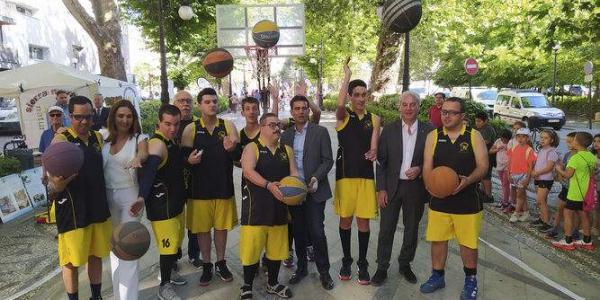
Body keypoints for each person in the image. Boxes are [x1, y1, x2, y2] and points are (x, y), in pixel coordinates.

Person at [420, 97, 488, 300]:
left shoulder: (474, 136)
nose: (446, 115)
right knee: (438, 240)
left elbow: (483, 166)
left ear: (463, 116)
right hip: (440, 199)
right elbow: (426, 165)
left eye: (452, 112)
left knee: (467, 243)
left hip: (467, 200)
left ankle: (471, 281)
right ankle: (437, 276)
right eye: (444, 112)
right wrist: (429, 185)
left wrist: (468, 181)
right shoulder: (434, 135)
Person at [48, 96, 112, 300]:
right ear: (69, 116)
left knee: (96, 255)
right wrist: (56, 185)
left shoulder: (97, 138)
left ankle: (96, 296)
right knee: (71, 261)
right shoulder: (62, 139)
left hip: (97, 205)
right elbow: (51, 178)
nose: (84, 121)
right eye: (78, 117)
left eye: (87, 117)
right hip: (72, 208)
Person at [372, 91, 432, 286]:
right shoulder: (388, 130)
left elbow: (435, 161)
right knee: (386, 229)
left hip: (415, 188)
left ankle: (405, 263)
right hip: (391, 188)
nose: (408, 108)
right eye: (404, 104)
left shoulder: (429, 131)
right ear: (399, 107)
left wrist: (421, 168)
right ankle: (382, 267)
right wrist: (381, 189)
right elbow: (381, 162)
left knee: (412, 229)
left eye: (412, 104)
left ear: (418, 107)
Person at [181, 88, 238, 286]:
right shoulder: (191, 129)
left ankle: (221, 262)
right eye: (207, 101)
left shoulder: (228, 126)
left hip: (223, 187)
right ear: (199, 105)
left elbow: (238, 158)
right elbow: (183, 160)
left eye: (214, 101)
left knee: (221, 228)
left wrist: (232, 150)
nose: (212, 104)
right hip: (199, 190)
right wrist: (188, 160)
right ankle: (207, 264)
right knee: (203, 230)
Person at [239, 113, 298, 299]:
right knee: (251, 251)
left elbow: (294, 174)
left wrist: (300, 188)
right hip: (256, 210)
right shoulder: (252, 147)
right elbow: (248, 171)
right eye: (272, 125)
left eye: (278, 125)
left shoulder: (286, 150)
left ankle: (273, 284)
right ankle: (246, 286)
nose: (276, 128)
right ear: (262, 127)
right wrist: (268, 185)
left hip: (279, 208)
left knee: (275, 250)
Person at [281, 95, 335, 289]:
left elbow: (327, 160)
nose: (301, 111)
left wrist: (315, 178)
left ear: (309, 111)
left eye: (304, 108)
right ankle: (302, 268)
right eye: (297, 108)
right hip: (294, 193)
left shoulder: (320, 132)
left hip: (314, 190)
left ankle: (324, 272)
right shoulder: (285, 135)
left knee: (317, 232)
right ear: (292, 111)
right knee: (298, 232)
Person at [334, 58, 380, 284]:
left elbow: (374, 145)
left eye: (364, 95)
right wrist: (346, 78)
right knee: (345, 222)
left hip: (365, 178)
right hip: (345, 178)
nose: (361, 98)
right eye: (357, 94)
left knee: (363, 223)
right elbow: (339, 104)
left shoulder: (375, 119)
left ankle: (362, 263)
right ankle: (346, 260)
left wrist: (373, 152)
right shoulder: (344, 117)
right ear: (351, 96)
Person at [137, 104, 190, 300]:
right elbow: (149, 172)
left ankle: (169, 272)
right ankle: (164, 286)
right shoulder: (157, 143)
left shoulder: (171, 141)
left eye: (176, 124)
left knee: (175, 244)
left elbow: (172, 168)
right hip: (161, 207)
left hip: (175, 203)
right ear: (159, 123)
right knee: (168, 248)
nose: (173, 128)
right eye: (167, 124)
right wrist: (142, 197)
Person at [102, 100, 148, 300]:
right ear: (113, 117)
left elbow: (144, 152)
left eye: (129, 116)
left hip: (130, 196)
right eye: (120, 116)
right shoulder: (104, 138)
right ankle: (118, 294)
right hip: (107, 196)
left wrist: (139, 158)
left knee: (129, 247)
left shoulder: (139, 138)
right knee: (114, 247)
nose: (125, 120)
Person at [172, 90, 202, 268]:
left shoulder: (199, 124)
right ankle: (173, 255)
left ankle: (194, 253)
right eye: (181, 101)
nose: (185, 104)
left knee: (194, 220)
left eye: (188, 101)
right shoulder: (168, 124)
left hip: (194, 179)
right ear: (174, 103)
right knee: (175, 220)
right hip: (173, 181)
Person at [553, 132, 596, 251]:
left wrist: (558, 169)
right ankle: (587, 241)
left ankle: (567, 241)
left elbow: (567, 175)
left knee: (568, 214)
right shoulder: (591, 156)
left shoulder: (575, 158)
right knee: (584, 215)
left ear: (577, 142)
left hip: (575, 192)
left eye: (574, 140)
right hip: (586, 192)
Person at [546, 132, 579, 239]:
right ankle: (555, 227)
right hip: (566, 187)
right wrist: (560, 175)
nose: (568, 144)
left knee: (574, 212)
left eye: (570, 142)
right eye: (567, 142)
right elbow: (562, 168)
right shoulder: (567, 155)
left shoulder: (580, 156)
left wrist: (560, 170)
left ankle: (574, 231)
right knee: (559, 207)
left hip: (576, 188)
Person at [530, 129, 560, 232]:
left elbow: (549, 167)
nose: (542, 140)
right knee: (542, 200)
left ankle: (547, 222)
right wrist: (534, 171)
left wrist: (536, 173)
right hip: (539, 178)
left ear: (551, 140)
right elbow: (538, 163)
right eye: (541, 137)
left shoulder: (552, 152)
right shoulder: (541, 150)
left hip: (546, 179)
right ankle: (542, 218)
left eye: (546, 138)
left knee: (540, 201)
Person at [507, 128, 536, 223]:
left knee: (519, 194)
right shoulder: (514, 148)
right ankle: (526, 212)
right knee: (522, 194)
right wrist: (509, 173)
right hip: (514, 174)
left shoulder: (529, 150)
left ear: (527, 138)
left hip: (524, 175)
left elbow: (530, 166)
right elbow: (510, 161)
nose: (520, 138)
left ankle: (516, 213)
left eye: (523, 137)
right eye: (518, 136)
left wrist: (528, 178)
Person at [474, 112, 496, 203]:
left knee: (487, 177)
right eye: (476, 121)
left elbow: (486, 141)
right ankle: (483, 192)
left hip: (488, 156)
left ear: (485, 121)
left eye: (479, 121)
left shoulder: (488, 129)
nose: (477, 123)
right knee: (482, 175)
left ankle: (489, 195)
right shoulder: (478, 128)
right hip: (481, 155)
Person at [489, 129, 512, 213]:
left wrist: (507, 149)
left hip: (507, 166)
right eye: (502, 138)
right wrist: (497, 149)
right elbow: (490, 151)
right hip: (499, 165)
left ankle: (505, 202)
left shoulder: (511, 143)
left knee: (506, 184)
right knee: (503, 184)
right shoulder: (498, 141)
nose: (503, 140)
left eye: (504, 139)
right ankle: (504, 200)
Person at [592, 134, 600, 238]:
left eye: (599, 141)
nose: (596, 143)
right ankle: (596, 228)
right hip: (595, 187)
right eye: (594, 141)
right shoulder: (592, 156)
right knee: (596, 208)